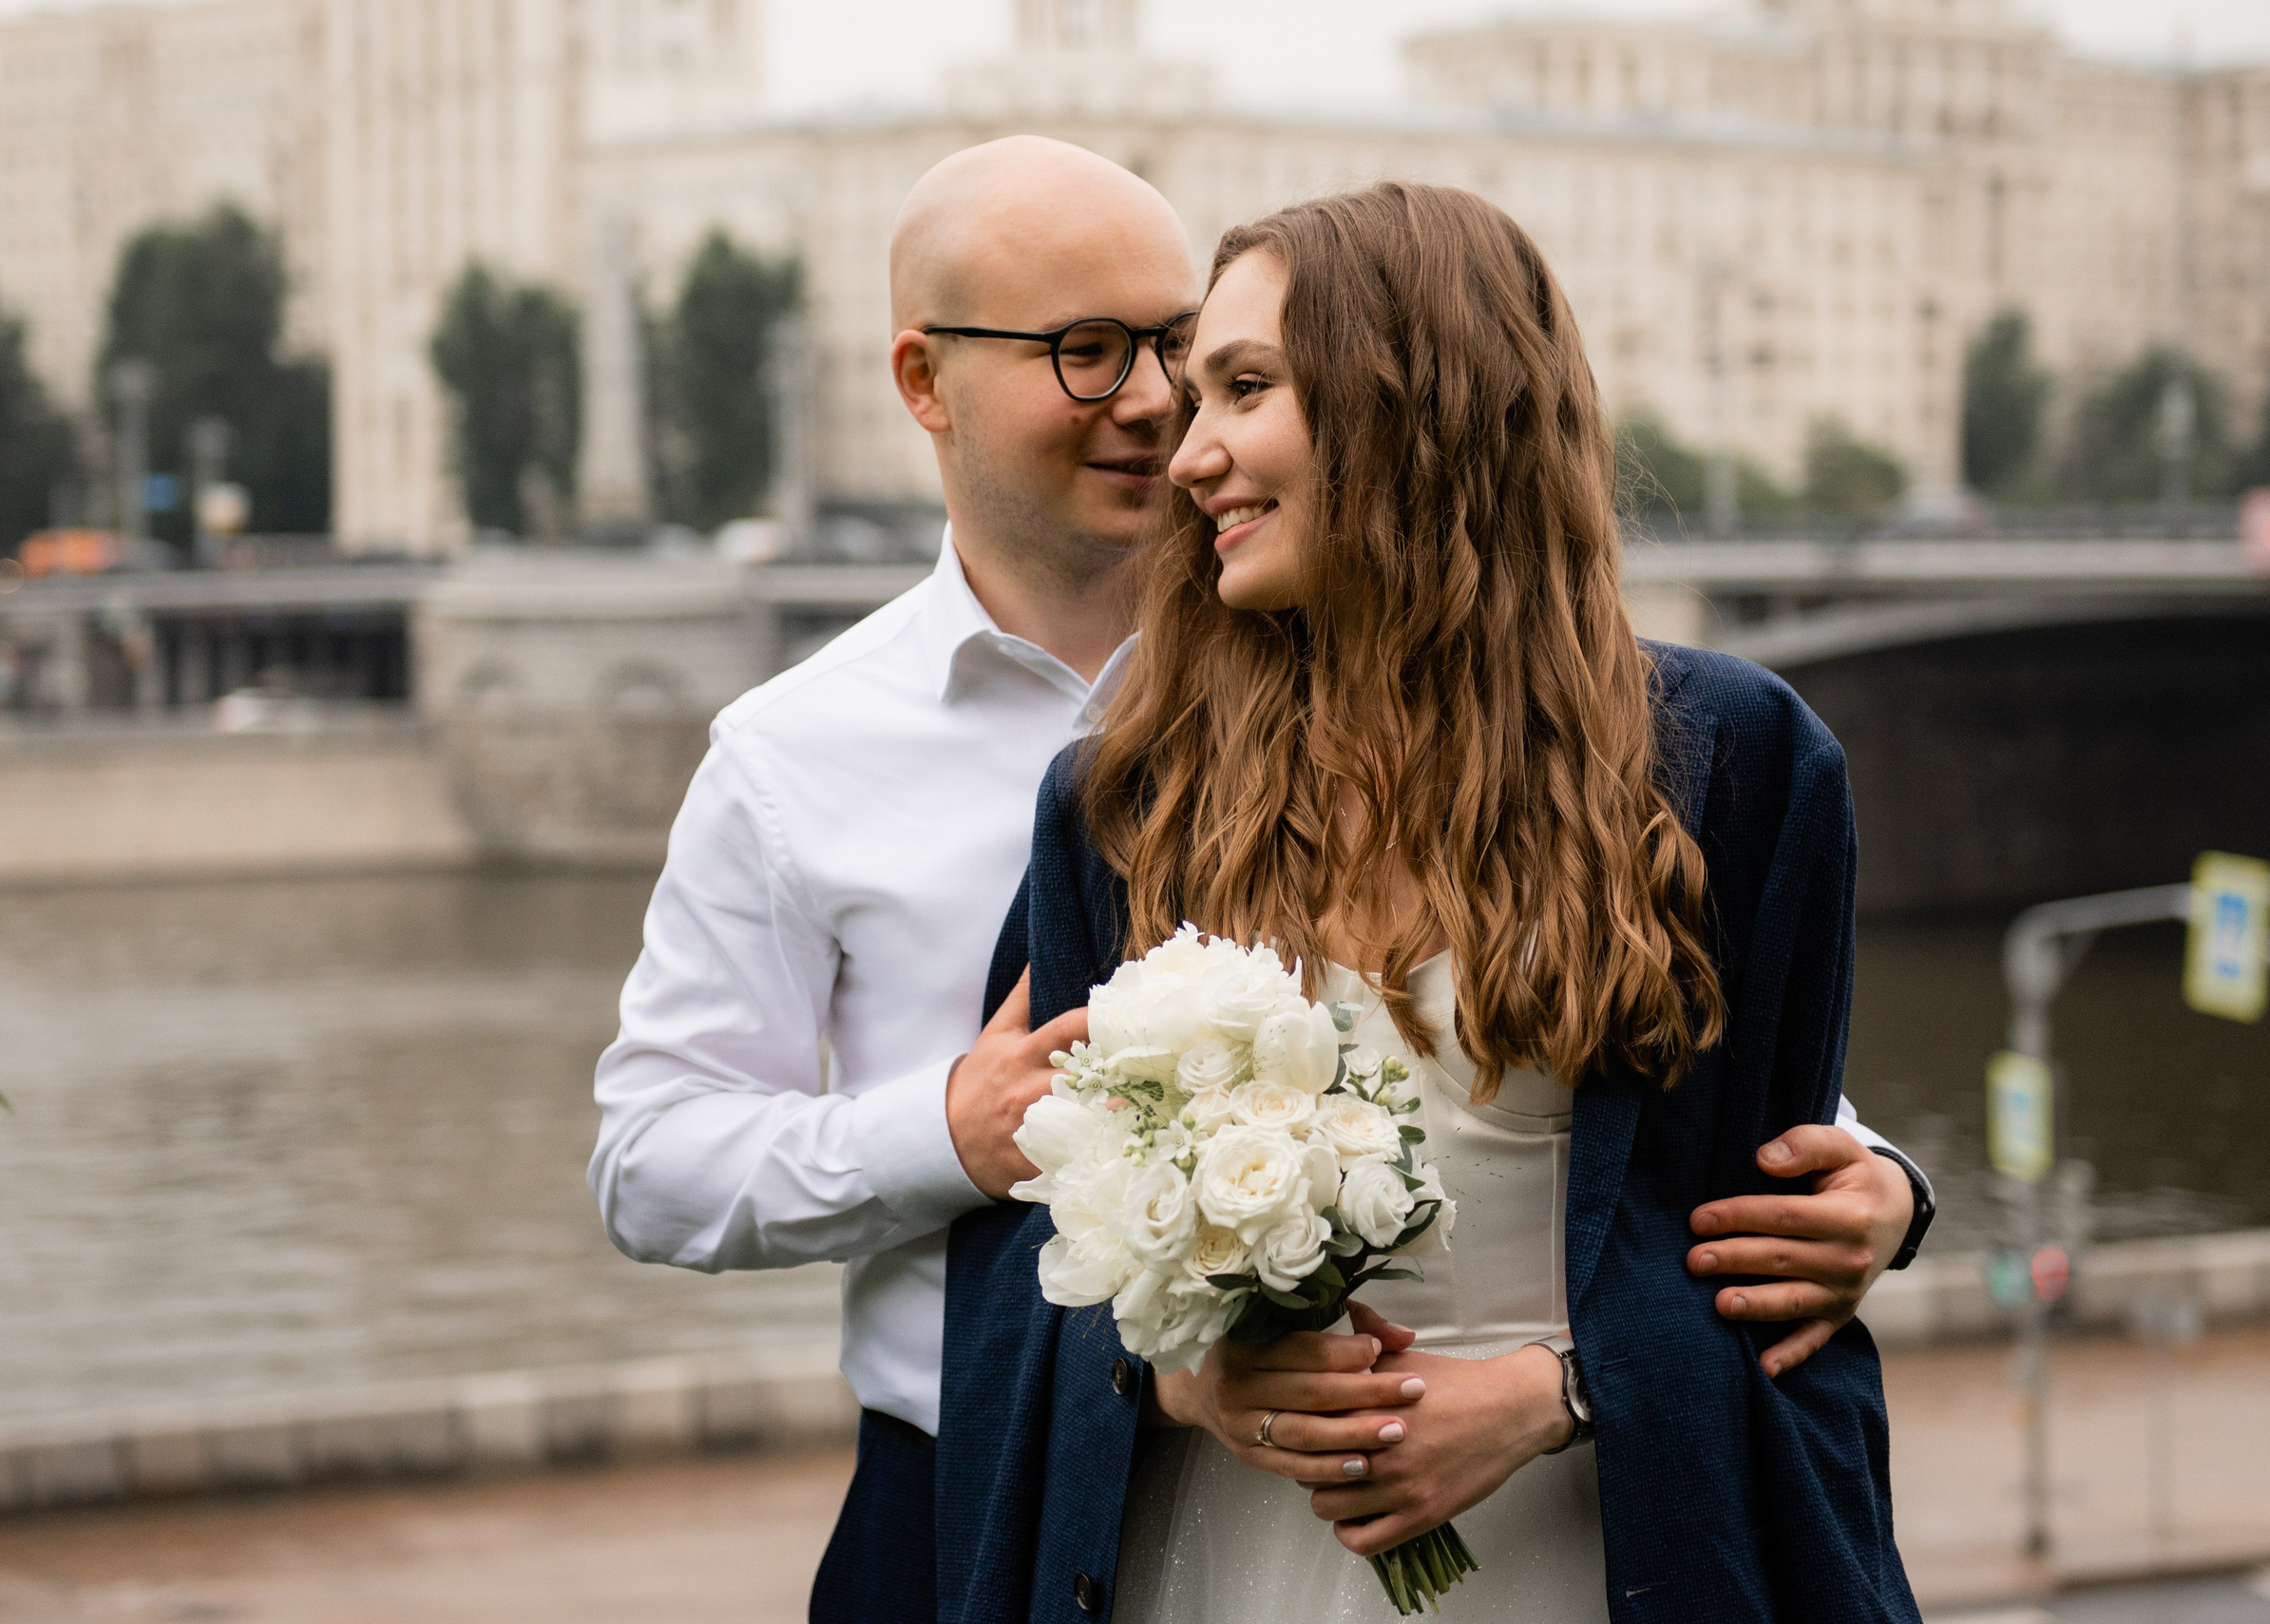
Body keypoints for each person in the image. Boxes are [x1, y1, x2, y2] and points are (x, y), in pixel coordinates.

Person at [590, 141, 1927, 1624]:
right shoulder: (1066, 790)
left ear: (1407, 403)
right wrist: (966, 1147)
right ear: (924, 381)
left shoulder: (1726, 758)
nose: (1164, 419)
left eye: (1201, 363)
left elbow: (1681, 1148)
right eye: (1092, 355)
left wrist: (1882, 1191)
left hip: (1584, 1540)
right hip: (1026, 1498)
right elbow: (666, 1165)